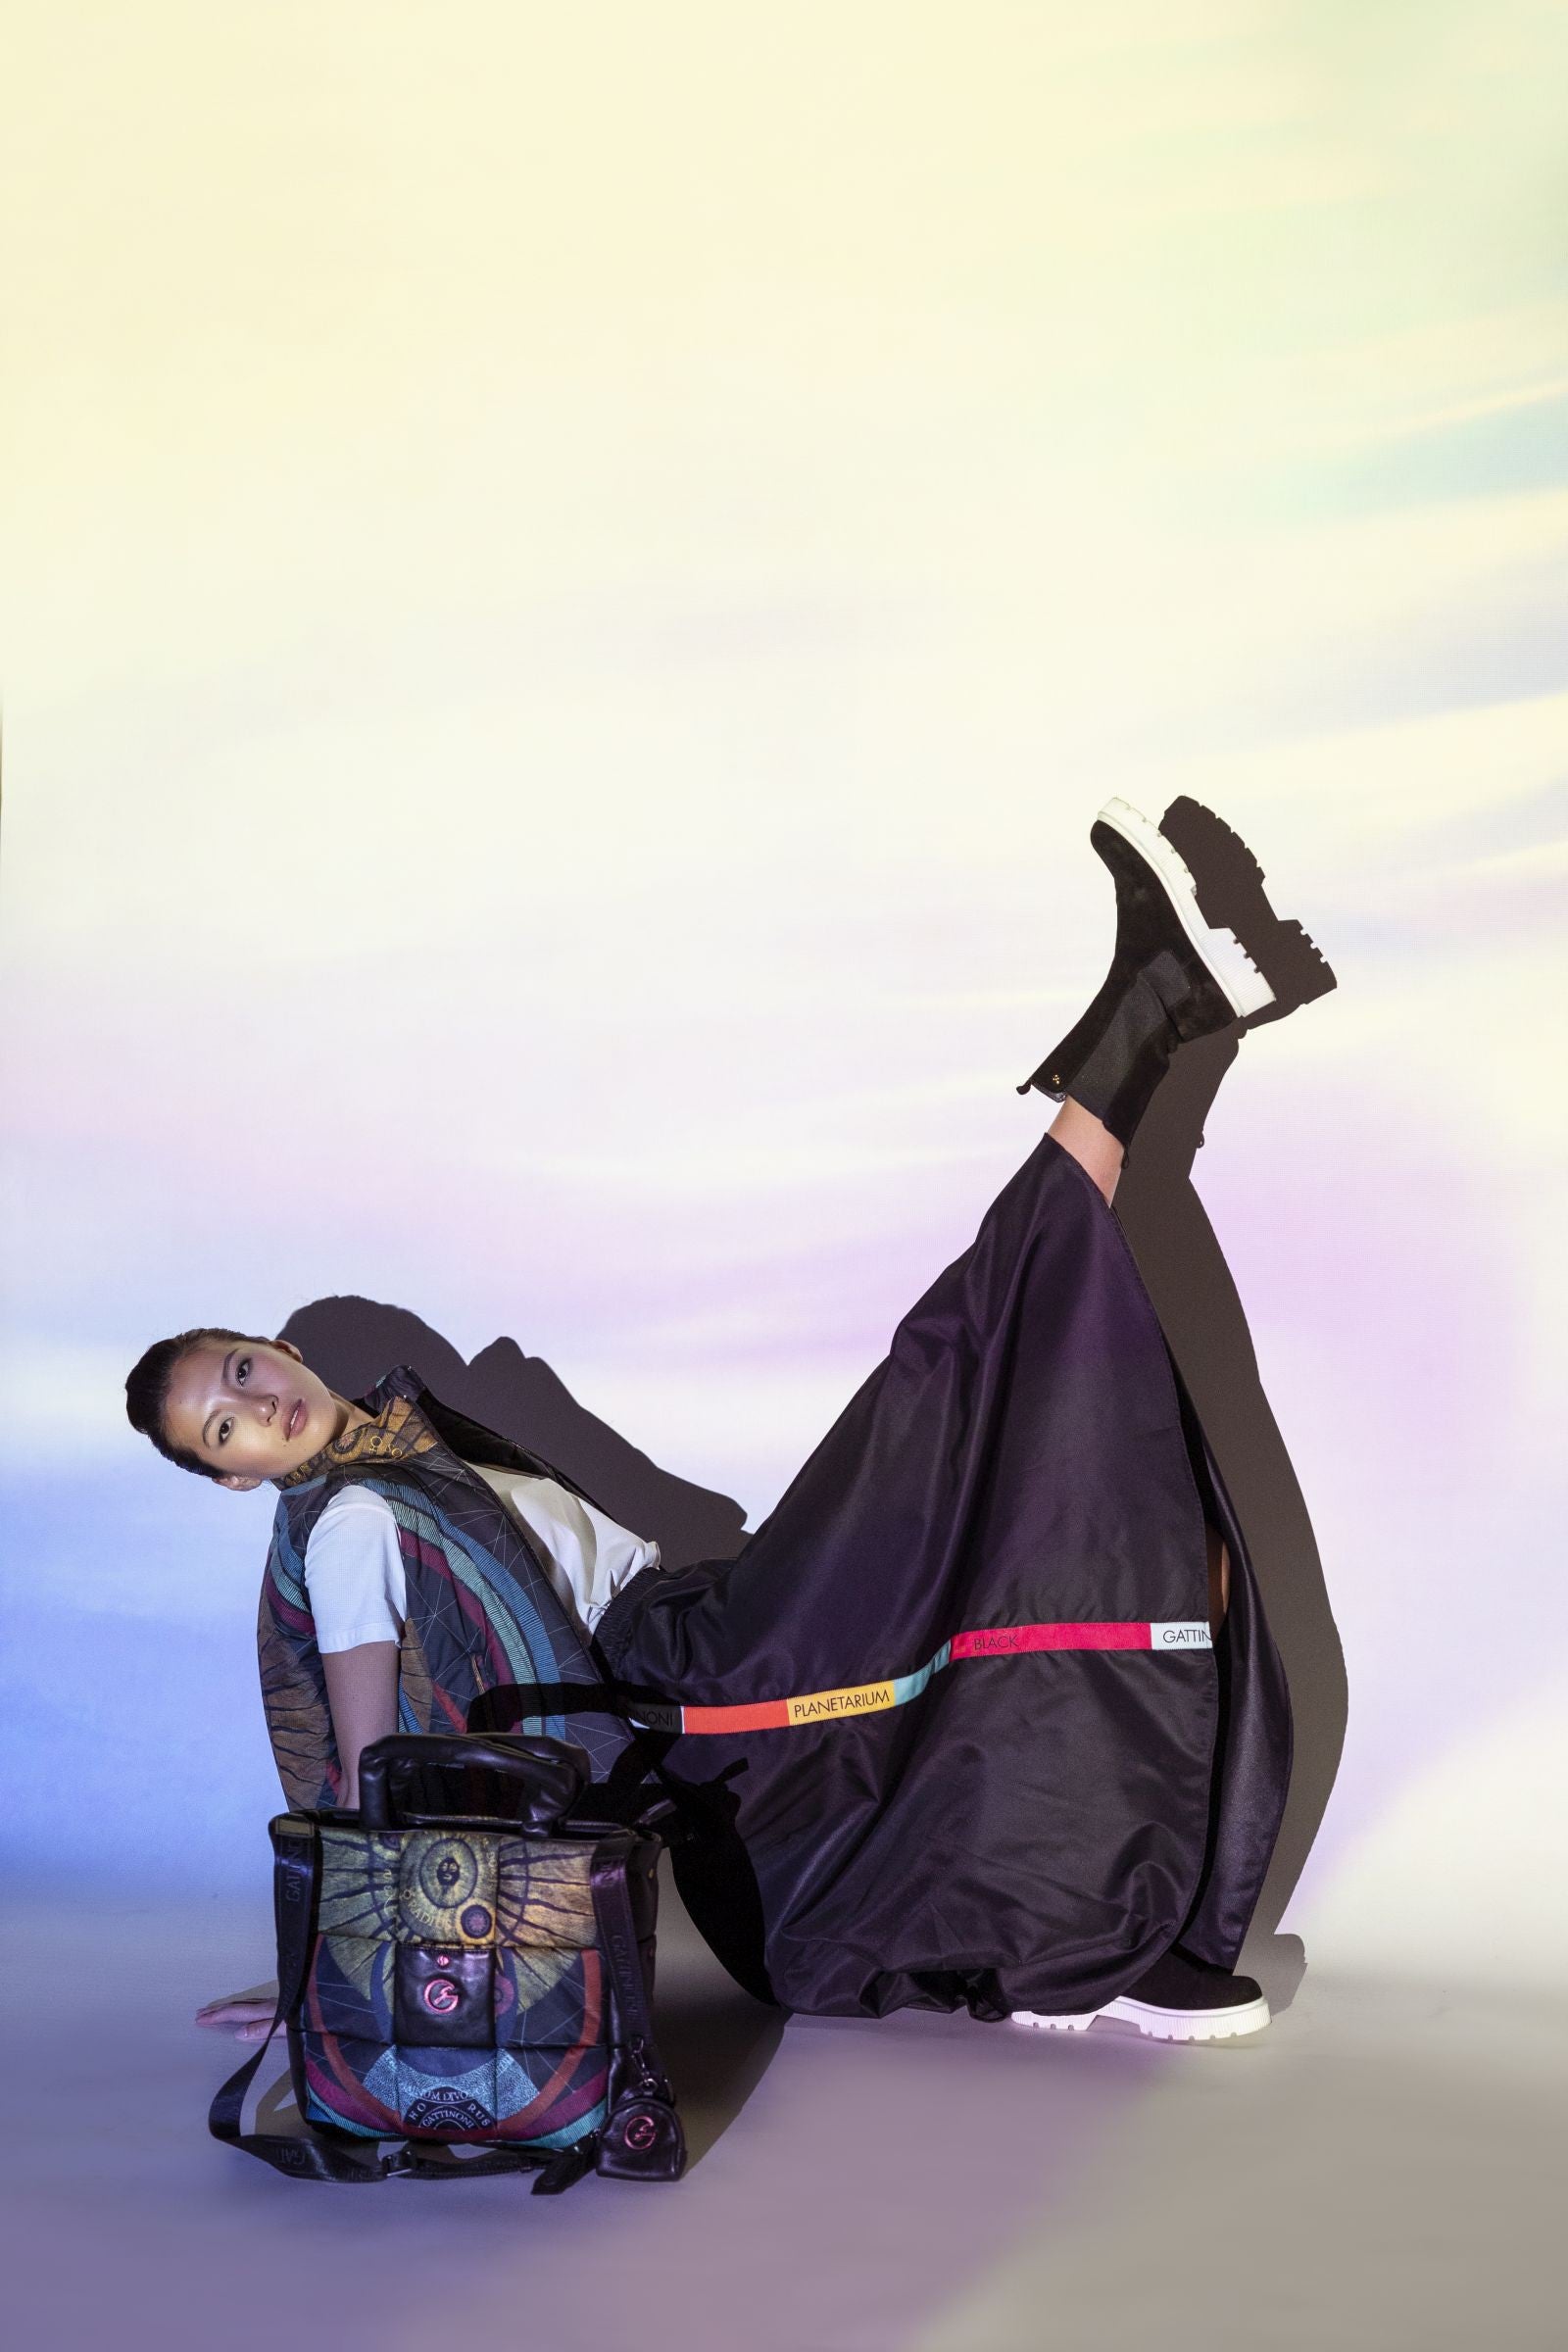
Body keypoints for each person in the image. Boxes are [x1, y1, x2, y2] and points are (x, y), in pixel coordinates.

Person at [126, 797, 1296, 2053]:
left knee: (985, 1519)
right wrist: (326, 1977)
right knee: (950, 1413)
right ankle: (1143, 1017)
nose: (257, 1406)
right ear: (236, 1479)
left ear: (285, 1351)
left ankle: (1113, 1930)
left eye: (241, 1370)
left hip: (693, 1627)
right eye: (226, 1431)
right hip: (677, 1667)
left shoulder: (408, 1459)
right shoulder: (356, 1518)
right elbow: (372, 1777)